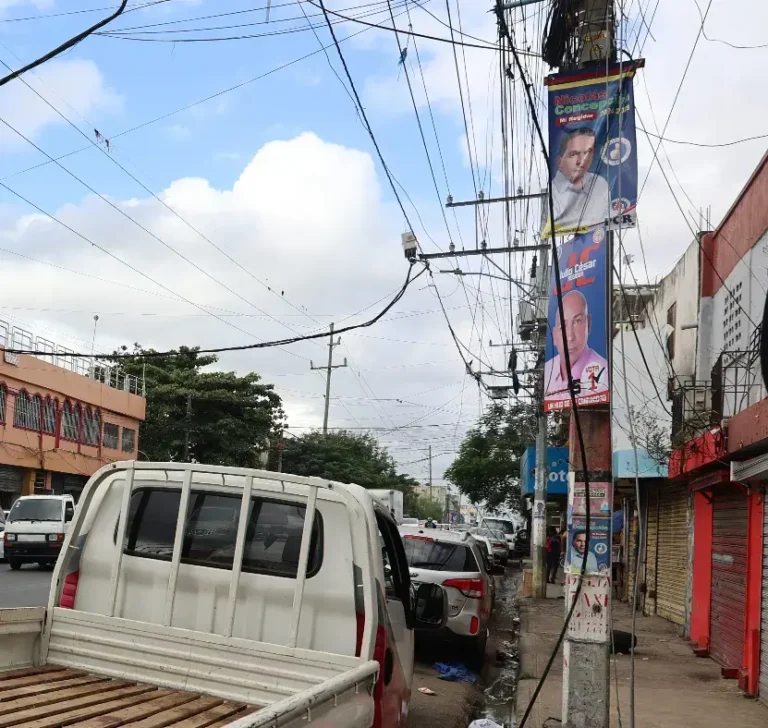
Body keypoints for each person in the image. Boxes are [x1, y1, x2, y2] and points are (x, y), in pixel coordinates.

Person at [544, 290, 609, 402]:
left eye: (577, 321)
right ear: (554, 336)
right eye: (562, 326)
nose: (570, 337)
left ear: (588, 324)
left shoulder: (604, 372)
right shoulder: (549, 371)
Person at [547, 127, 611, 233]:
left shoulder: (600, 183)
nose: (581, 161)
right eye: (573, 154)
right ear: (559, 160)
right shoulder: (554, 192)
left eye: (587, 153)